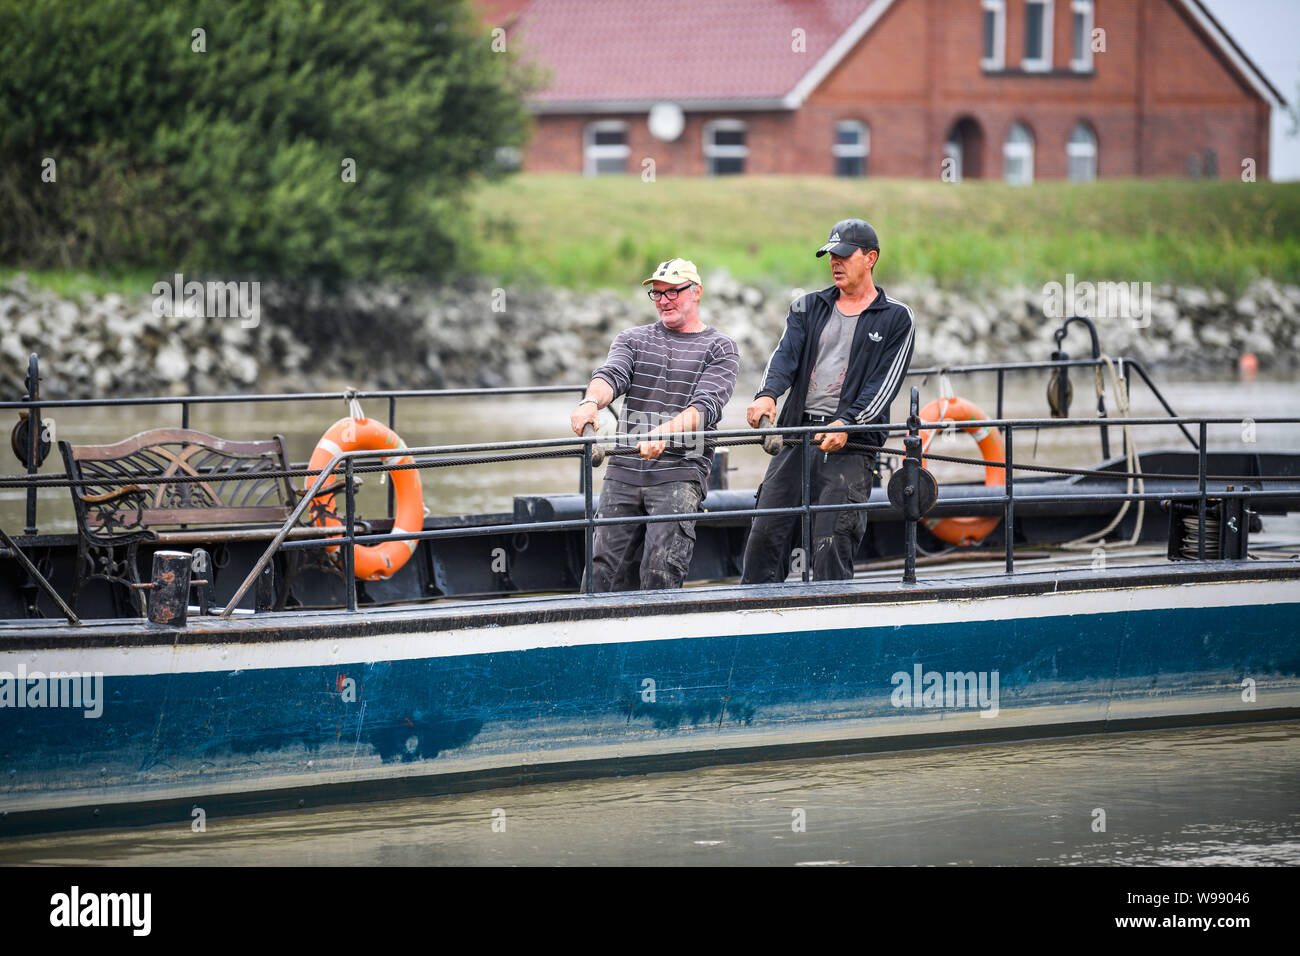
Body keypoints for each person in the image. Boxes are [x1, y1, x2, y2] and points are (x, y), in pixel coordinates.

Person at [741, 219, 914, 583]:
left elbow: (884, 386)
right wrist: (767, 396)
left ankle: (832, 626)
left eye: (843, 256)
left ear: (870, 258)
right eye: (830, 256)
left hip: (851, 449)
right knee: (764, 538)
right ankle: (753, 623)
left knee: (831, 543)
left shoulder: (897, 317)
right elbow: (784, 357)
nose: (834, 262)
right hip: (796, 437)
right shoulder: (807, 307)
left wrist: (846, 424)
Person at [570, 258, 740, 591]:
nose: (664, 300)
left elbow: (705, 408)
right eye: (658, 294)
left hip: (680, 471)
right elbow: (611, 375)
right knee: (600, 573)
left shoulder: (720, 348)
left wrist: (661, 434)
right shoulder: (632, 339)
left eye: (673, 292)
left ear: (696, 292)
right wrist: (590, 402)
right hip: (624, 470)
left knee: (660, 570)